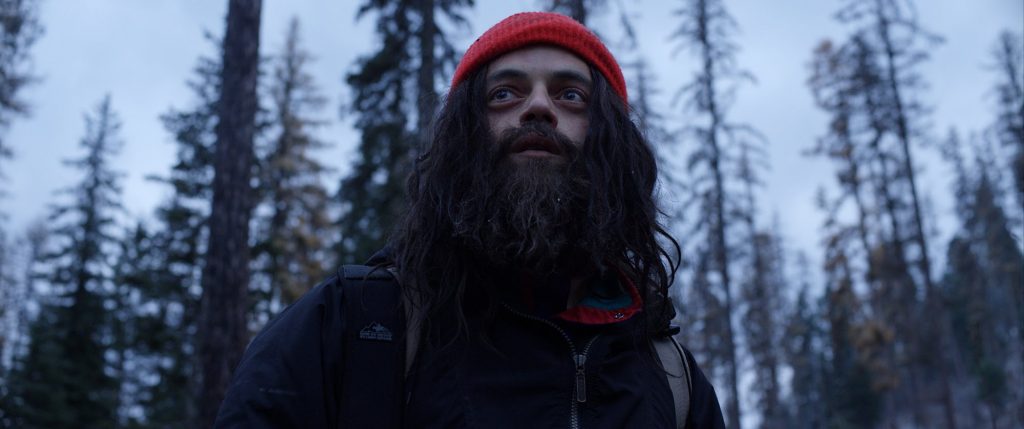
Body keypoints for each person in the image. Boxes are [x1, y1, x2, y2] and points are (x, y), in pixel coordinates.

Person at [215, 11, 726, 429]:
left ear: (610, 140)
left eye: (571, 95)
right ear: (465, 134)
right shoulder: (357, 327)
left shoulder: (670, 379)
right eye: (505, 93)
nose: (539, 107)